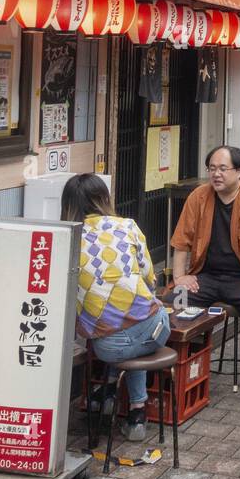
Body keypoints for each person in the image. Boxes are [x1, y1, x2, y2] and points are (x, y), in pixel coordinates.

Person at [62, 173, 169, 443]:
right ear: (103, 199)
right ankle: (137, 413)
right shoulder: (128, 226)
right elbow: (148, 276)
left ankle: (108, 391)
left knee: (118, 337)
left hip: (110, 347)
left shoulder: (67, 239)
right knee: (135, 329)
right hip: (158, 328)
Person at [171, 145, 240, 412]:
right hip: (205, 276)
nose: (216, 174)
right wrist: (180, 276)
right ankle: (180, 373)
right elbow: (181, 242)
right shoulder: (199, 197)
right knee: (173, 300)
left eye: (222, 168)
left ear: (239, 171)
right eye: (211, 168)